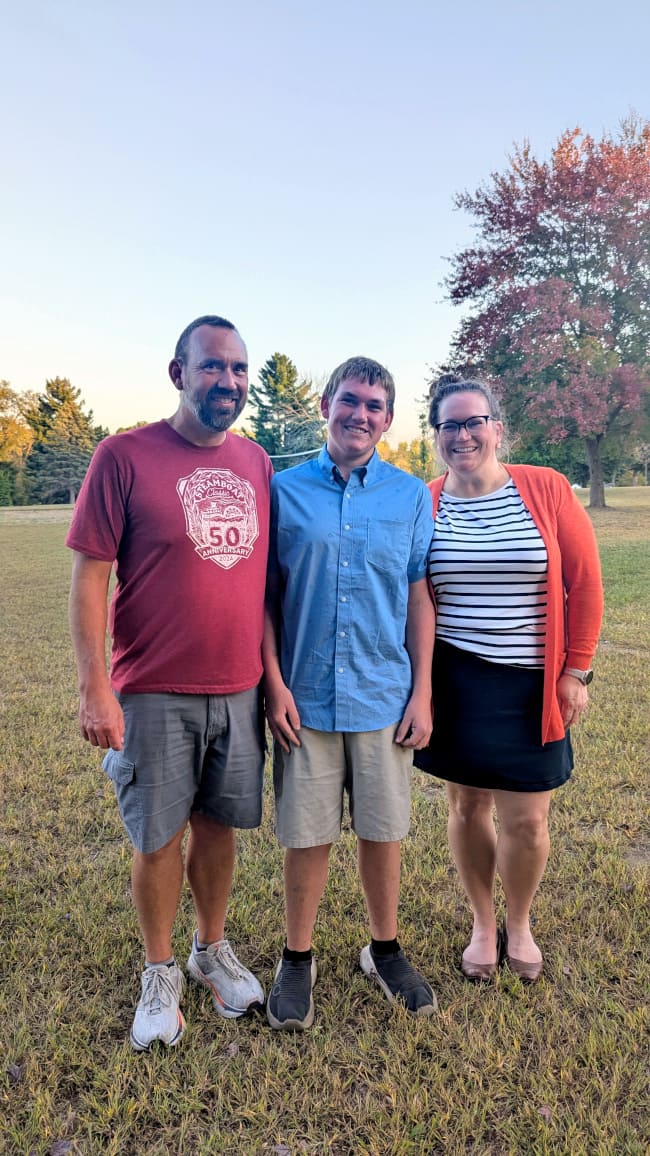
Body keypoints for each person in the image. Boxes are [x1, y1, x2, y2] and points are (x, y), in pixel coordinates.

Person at [66, 315, 273, 1049]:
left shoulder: (256, 461)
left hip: (239, 688)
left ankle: (209, 950)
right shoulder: (123, 456)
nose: (229, 382)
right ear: (177, 373)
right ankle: (160, 972)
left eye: (240, 369)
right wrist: (96, 686)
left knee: (219, 827)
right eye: (213, 367)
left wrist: (270, 682)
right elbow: (91, 577)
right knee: (158, 836)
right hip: (152, 688)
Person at [263, 356, 437, 1030]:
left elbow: (419, 594)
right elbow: (267, 599)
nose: (359, 414)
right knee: (306, 835)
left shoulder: (409, 495)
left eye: (373, 405)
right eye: (348, 400)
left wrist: (422, 691)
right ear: (326, 406)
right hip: (303, 697)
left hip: (383, 694)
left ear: (387, 419)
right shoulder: (282, 490)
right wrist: (273, 682)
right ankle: (297, 958)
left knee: (382, 831)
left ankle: (383, 949)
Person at [414, 374, 603, 982]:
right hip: (458, 680)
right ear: (437, 433)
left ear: (497, 427)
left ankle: (518, 922)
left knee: (528, 819)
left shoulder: (544, 489)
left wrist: (576, 671)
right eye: (450, 424)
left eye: (475, 421)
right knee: (467, 805)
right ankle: (482, 922)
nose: (463, 434)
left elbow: (586, 583)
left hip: (531, 683)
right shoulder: (427, 501)